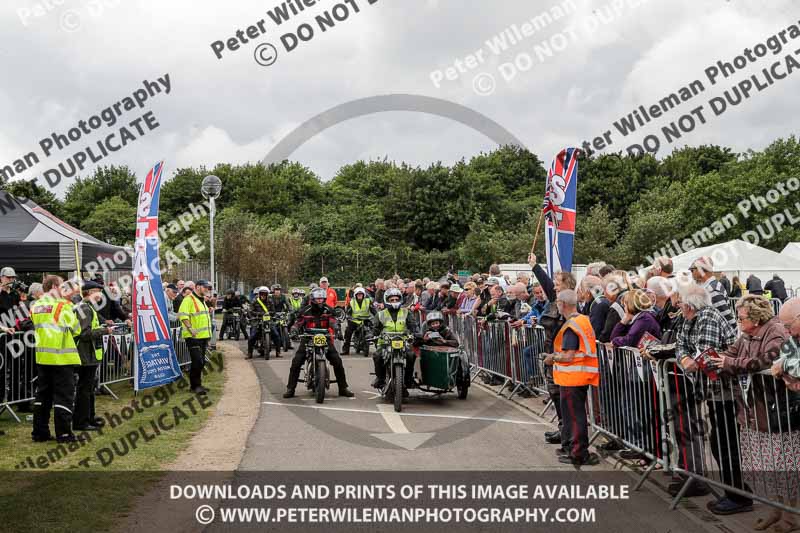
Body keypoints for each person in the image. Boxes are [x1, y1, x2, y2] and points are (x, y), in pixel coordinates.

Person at [705, 295, 792, 518]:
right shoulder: (746, 334)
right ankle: (776, 512)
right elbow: (731, 355)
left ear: (756, 317)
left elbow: (765, 362)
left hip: (772, 409)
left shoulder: (776, 331)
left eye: (741, 317)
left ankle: (788, 516)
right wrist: (714, 359)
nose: (738, 321)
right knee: (763, 464)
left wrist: (729, 363)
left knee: (779, 464)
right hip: (751, 409)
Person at [673, 285, 742, 502]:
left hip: (725, 391)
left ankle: (737, 494)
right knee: (718, 442)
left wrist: (690, 361)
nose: (678, 306)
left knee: (724, 443)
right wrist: (685, 360)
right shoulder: (689, 319)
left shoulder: (708, 316)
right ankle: (735, 492)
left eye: (681, 303)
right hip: (711, 391)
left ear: (689, 305)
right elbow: (680, 346)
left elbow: (704, 355)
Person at [543, 289, 600, 466]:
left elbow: (568, 355)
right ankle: (571, 448)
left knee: (574, 417)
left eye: (558, 302)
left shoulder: (572, 326)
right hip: (577, 377)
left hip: (573, 377)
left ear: (563, 304)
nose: (556, 305)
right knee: (573, 416)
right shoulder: (582, 320)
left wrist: (552, 358)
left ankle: (578, 453)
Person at [529, 252, 576, 445]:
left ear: (567, 285)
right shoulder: (554, 300)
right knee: (555, 394)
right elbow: (547, 284)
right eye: (555, 282)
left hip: (563, 357)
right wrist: (534, 266)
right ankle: (562, 428)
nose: (554, 285)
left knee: (564, 398)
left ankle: (569, 435)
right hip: (551, 356)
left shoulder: (570, 304)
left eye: (558, 282)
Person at [30, 276, 82, 443]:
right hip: (62, 359)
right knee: (64, 398)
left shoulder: (36, 306)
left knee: (42, 397)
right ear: (54, 286)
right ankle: (64, 434)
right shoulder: (63, 305)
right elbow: (76, 329)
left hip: (42, 357)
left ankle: (39, 433)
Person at [284, 288, 353, 398]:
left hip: (324, 337)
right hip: (308, 337)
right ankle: (290, 389)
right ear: (312, 299)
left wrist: (337, 330)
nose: (320, 301)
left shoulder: (328, 310)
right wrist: (294, 330)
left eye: (322, 298)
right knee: (296, 362)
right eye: (318, 298)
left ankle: (343, 388)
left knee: (337, 361)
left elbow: (333, 321)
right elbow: (298, 323)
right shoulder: (305, 311)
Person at [73, 280, 112, 431]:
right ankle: (80, 421)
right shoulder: (85, 308)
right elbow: (84, 334)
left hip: (90, 354)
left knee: (89, 388)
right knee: (84, 389)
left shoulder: (88, 307)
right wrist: (105, 331)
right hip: (85, 355)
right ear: (89, 292)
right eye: (98, 291)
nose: (101, 294)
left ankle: (89, 417)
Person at [371, 288, 419, 393]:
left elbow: (413, 325)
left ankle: (408, 379)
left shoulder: (406, 312)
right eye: (391, 299)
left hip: (403, 342)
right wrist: (372, 335)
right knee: (377, 356)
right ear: (387, 300)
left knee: (411, 355)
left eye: (396, 299)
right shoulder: (381, 314)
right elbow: (375, 329)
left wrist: (416, 333)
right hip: (385, 343)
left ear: (400, 299)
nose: (394, 301)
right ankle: (380, 379)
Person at [178, 279, 212, 395]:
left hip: (202, 337)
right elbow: (183, 315)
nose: (207, 289)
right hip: (192, 337)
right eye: (205, 287)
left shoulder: (202, 300)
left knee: (201, 362)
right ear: (198, 287)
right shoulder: (189, 299)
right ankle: (195, 386)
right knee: (197, 361)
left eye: (208, 287)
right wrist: (190, 328)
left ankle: (197, 385)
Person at [690, 256, 736, 331]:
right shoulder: (710, 286)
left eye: (692, 270)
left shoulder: (712, 289)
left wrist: (733, 337)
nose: (691, 273)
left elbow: (727, 318)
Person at [342, 287, 375, 355]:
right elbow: (348, 312)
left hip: (366, 320)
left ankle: (379, 349)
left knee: (376, 330)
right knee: (348, 331)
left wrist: (377, 316)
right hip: (355, 321)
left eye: (361, 294)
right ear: (355, 295)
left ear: (363, 295)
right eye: (358, 294)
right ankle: (345, 350)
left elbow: (373, 310)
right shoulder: (351, 302)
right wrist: (348, 317)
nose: (360, 295)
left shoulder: (368, 301)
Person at [248, 287, 275, 359]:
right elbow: (250, 311)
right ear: (259, 294)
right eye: (262, 294)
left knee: (276, 333)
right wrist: (257, 314)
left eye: (265, 294)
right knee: (252, 336)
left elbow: (273, 311)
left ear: (267, 294)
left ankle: (278, 352)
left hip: (268, 320)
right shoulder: (254, 300)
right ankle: (249, 353)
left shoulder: (270, 301)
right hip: (257, 320)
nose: (263, 295)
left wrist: (270, 313)